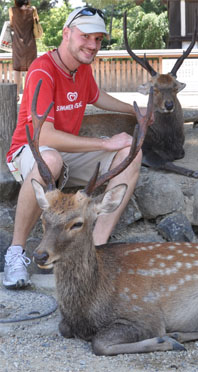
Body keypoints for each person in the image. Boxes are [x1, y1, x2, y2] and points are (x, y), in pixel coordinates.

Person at [3, 7, 147, 289]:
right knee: (52, 160)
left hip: (62, 151)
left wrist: (135, 111)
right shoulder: (42, 70)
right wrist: (105, 143)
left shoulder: (81, 69)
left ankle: (95, 249)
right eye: (85, 37)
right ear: (66, 33)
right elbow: (44, 135)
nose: (92, 45)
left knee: (131, 153)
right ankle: (16, 252)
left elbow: (97, 96)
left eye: (98, 39)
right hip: (31, 149)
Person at [9, 0, 37, 101]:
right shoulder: (32, 10)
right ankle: (29, 95)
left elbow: (12, 24)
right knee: (31, 69)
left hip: (18, 44)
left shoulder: (12, 10)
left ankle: (16, 95)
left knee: (17, 69)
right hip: (30, 43)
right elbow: (36, 23)